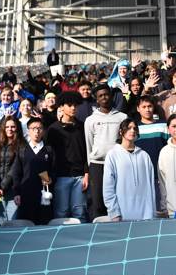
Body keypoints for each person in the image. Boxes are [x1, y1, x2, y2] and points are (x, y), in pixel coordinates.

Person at [84, 84, 128, 219]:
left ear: (111, 96)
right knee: (98, 201)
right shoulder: (90, 120)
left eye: (106, 94)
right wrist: (89, 166)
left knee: (119, 198)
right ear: (97, 99)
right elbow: (89, 144)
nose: (104, 97)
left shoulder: (122, 117)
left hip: (117, 163)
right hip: (97, 165)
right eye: (100, 96)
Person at [103, 119, 157, 221]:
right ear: (120, 132)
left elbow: (151, 186)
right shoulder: (112, 155)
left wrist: (152, 212)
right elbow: (108, 187)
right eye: (128, 128)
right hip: (122, 216)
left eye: (134, 128)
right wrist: (114, 212)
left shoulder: (144, 156)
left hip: (146, 216)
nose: (132, 130)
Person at [47, 91, 89, 222]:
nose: (73, 108)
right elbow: (46, 155)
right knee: (61, 213)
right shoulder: (53, 129)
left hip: (80, 176)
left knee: (80, 212)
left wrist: (87, 174)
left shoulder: (83, 127)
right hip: (60, 176)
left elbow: (87, 151)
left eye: (75, 105)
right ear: (61, 107)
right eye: (70, 105)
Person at [11, 118, 55, 224]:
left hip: (44, 195)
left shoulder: (49, 150)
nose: (37, 131)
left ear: (43, 131)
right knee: (26, 224)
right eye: (33, 128)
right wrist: (17, 193)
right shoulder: (22, 149)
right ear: (28, 131)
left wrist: (48, 179)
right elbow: (16, 173)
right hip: (26, 194)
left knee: (44, 224)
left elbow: (54, 170)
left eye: (39, 128)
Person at [0, 116, 25, 224]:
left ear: (17, 128)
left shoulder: (22, 145)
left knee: (12, 222)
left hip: (13, 189)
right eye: (7, 127)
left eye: (13, 127)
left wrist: (3, 186)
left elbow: (15, 168)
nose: (10, 129)